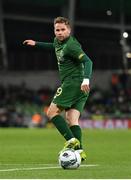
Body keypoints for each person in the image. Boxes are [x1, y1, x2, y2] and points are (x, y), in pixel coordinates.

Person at [23, 16, 93, 161]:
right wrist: (36, 43)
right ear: (54, 31)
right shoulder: (58, 42)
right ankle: (79, 152)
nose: (60, 32)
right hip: (79, 87)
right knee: (72, 120)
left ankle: (71, 141)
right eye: (57, 30)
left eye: (63, 30)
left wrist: (86, 79)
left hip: (73, 83)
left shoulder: (72, 46)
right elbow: (53, 46)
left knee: (51, 112)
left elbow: (88, 61)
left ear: (69, 30)